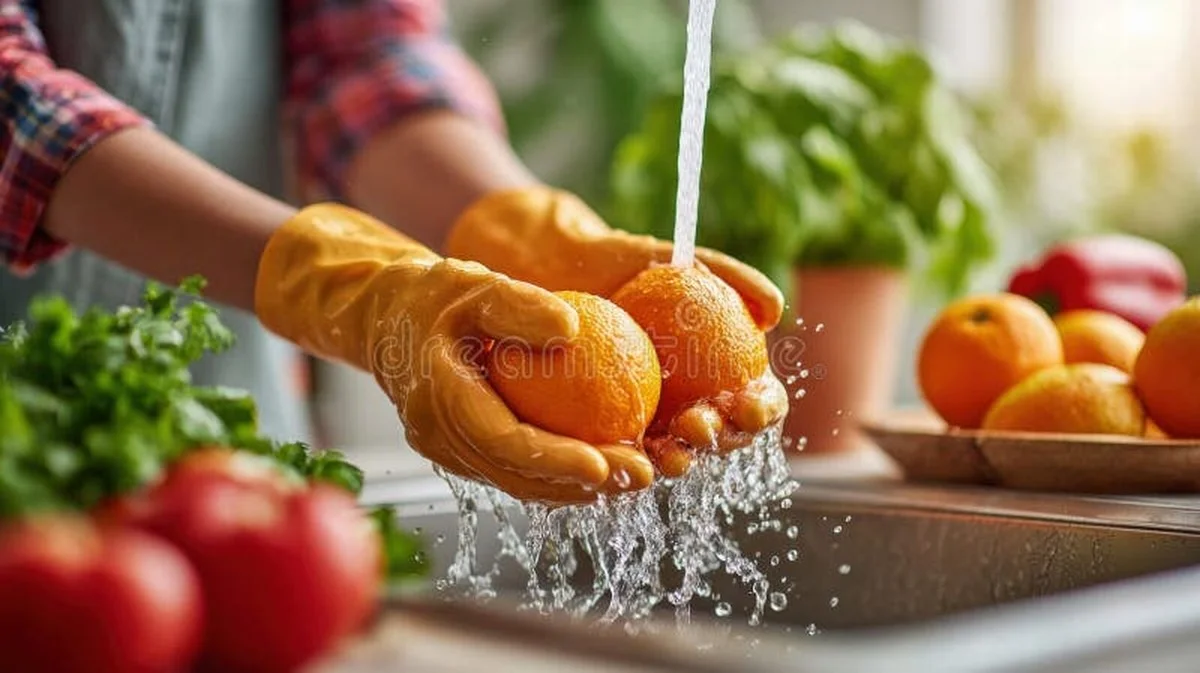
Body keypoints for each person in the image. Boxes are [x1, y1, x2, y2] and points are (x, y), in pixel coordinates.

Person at [0, 0, 786, 503]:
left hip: (231, 456)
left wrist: (523, 230)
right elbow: (16, 104)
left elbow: (362, 53)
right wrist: (340, 285)